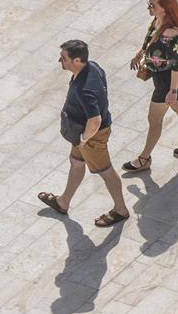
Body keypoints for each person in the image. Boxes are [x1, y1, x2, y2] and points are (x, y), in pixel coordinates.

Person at [38, 41, 132, 228]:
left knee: (106, 171)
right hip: (83, 133)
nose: (60, 60)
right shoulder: (93, 67)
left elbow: (95, 120)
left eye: (64, 58)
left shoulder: (85, 89)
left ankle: (121, 210)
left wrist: (84, 139)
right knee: (77, 162)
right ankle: (63, 201)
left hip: (91, 136)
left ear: (77, 60)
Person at [120, 0, 178, 173]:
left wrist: (172, 91)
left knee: (154, 119)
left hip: (169, 79)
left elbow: (177, 65)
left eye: (152, 5)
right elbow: (150, 40)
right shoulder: (158, 21)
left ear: (164, 7)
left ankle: (144, 158)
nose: (149, 8)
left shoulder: (172, 33)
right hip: (162, 76)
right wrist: (140, 53)